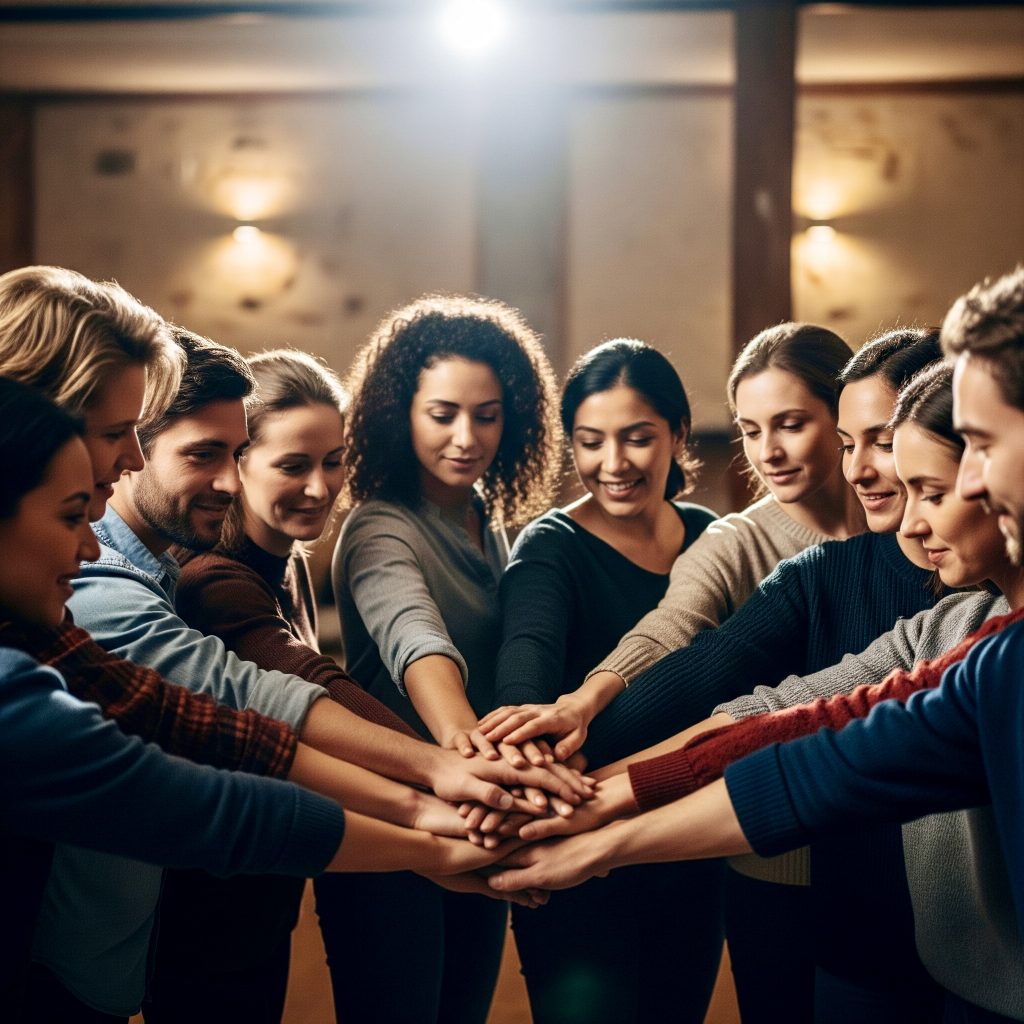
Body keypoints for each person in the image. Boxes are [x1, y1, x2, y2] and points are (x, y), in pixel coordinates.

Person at [490, 266, 1024, 1022]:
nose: (908, 516)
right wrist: (586, 792)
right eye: (854, 444)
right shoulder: (943, 630)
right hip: (874, 931)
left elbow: (819, 747)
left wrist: (600, 826)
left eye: (939, 478)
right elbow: (788, 717)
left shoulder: (982, 636)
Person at [30, 324, 580, 1020]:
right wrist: (446, 783)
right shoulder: (161, 584)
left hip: (241, 889)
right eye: (212, 455)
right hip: (153, 926)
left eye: (333, 461)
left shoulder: (258, 561)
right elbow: (269, 696)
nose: (318, 488)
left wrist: (452, 801)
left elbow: (243, 726)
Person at [328, 293, 564, 1023]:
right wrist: (471, 755)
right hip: (394, 826)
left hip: (472, 814)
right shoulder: (377, 528)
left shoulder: (485, 517)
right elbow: (415, 638)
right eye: (443, 414)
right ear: (399, 413)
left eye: (487, 415)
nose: (467, 437)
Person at [488, 338, 720, 1023]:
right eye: (590, 442)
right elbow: (523, 689)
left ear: (678, 435)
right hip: (574, 852)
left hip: (690, 846)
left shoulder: (714, 539)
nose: (612, 464)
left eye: (637, 438)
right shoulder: (551, 546)